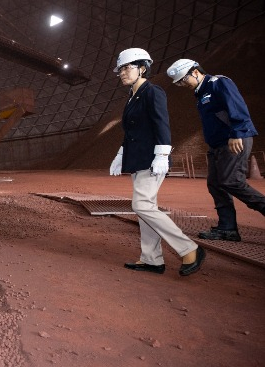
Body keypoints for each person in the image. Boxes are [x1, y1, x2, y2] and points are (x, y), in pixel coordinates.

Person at [110, 48, 205, 276]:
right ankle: (152, 259)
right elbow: (133, 130)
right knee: (147, 209)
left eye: (127, 67)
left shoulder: (153, 91)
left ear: (142, 68)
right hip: (138, 158)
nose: (122, 73)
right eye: (120, 69)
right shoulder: (132, 97)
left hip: (152, 160)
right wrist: (121, 153)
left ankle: (189, 249)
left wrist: (162, 154)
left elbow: (162, 124)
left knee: (140, 206)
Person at [166, 59, 265, 241]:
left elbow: (236, 106)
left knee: (232, 181)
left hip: (234, 140)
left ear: (195, 72)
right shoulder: (201, 93)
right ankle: (227, 228)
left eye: (183, 80)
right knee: (215, 183)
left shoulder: (218, 83)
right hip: (217, 145)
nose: (182, 85)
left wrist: (237, 132)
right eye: (179, 82)